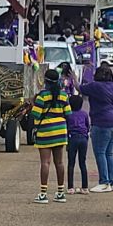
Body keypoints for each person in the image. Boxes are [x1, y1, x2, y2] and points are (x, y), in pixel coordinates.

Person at [81, 66, 113, 193]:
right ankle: (112, 181)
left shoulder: (95, 86)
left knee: (100, 153)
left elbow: (80, 88)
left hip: (100, 121)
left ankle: (104, 182)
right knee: (109, 153)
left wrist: (73, 77)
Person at [31, 69, 72, 203]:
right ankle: (60, 193)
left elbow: (35, 115)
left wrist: (33, 103)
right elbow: (68, 114)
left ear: (46, 80)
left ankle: (43, 194)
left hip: (45, 131)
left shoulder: (42, 96)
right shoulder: (64, 95)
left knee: (45, 162)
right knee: (59, 162)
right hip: (60, 130)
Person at [66, 94, 91, 195]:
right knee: (82, 163)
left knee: (71, 163)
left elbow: (66, 127)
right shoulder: (84, 114)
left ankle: (70, 187)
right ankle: (84, 187)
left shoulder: (68, 114)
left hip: (72, 137)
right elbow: (87, 126)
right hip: (83, 139)